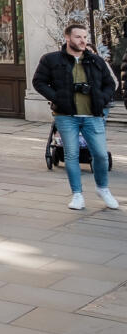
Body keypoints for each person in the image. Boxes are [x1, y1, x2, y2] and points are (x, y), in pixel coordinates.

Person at [32, 22, 120, 210]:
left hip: (93, 115)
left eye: (85, 37)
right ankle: (77, 195)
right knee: (71, 154)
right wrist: (58, 98)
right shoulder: (51, 59)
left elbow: (110, 84)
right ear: (68, 38)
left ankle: (103, 188)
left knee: (101, 155)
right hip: (66, 115)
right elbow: (39, 82)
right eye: (78, 37)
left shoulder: (96, 60)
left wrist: (102, 99)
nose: (83, 41)